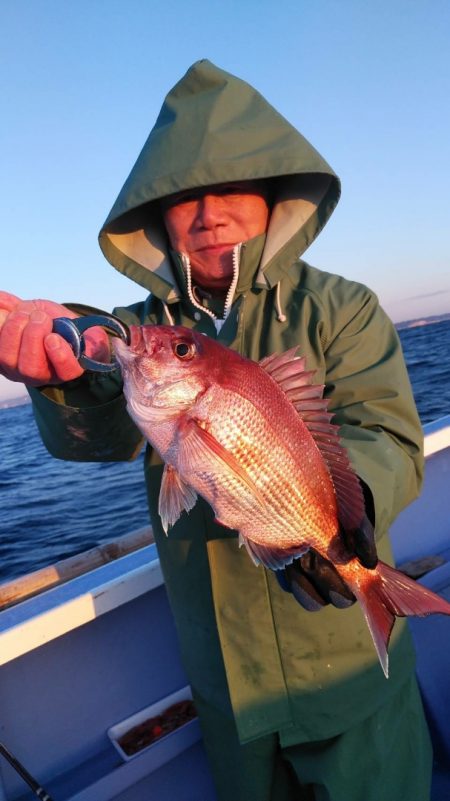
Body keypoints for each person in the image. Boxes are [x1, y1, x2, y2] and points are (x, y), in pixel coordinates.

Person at [0, 60, 432, 800]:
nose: (211, 213)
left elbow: (387, 433)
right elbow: (100, 414)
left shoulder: (342, 307)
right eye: (183, 197)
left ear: (273, 192)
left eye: (234, 184)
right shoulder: (147, 335)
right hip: (227, 687)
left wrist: (347, 504)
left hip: (342, 668)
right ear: (153, 216)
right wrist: (59, 374)